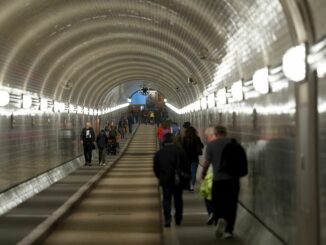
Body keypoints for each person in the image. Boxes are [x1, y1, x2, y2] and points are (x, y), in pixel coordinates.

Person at [201, 126, 243, 239]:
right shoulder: (234, 143)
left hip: (218, 180)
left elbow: (206, 162)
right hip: (233, 180)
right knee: (232, 204)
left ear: (215, 133)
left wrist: (203, 174)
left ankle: (220, 218)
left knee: (217, 202)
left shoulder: (211, 145)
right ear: (225, 132)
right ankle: (229, 230)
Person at [153, 133, 190, 227]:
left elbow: (156, 169)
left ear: (164, 141)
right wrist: (186, 176)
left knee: (166, 199)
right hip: (178, 180)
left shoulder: (159, 153)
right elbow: (186, 164)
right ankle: (178, 218)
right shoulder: (180, 151)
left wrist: (160, 177)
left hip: (165, 180)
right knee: (178, 199)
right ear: (173, 141)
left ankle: (167, 219)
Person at [182, 126, 204, 191]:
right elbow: (202, 146)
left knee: (188, 172)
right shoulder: (197, 138)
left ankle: (187, 184)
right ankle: (192, 186)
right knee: (193, 172)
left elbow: (183, 148)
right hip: (195, 158)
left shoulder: (185, 139)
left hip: (187, 159)